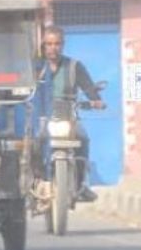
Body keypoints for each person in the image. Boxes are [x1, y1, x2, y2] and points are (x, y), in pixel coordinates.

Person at [38, 26, 105, 202]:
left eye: (57, 43)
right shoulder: (35, 67)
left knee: (82, 139)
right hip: (41, 117)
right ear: (43, 45)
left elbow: (88, 87)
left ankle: (80, 184)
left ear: (63, 45)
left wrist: (95, 100)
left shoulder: (74, 66)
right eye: (49, 44)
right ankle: (32, 181)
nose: (53, 48)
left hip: (68, 116)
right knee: (29, 143)